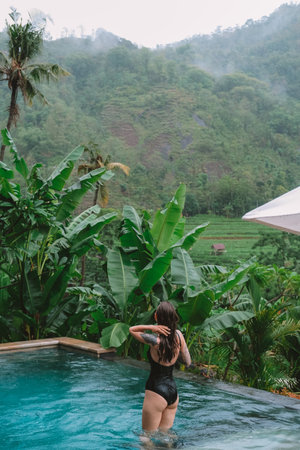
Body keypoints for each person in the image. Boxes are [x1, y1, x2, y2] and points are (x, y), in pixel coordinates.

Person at [129, 301, 191, 432]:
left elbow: (132, 329)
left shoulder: (155, 342)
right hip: (173, 393)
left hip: (156, 391)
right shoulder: (179, 336)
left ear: (156, 316)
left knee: (147, 436)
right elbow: (188, 362)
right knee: (165, 435)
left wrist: (152, 328)